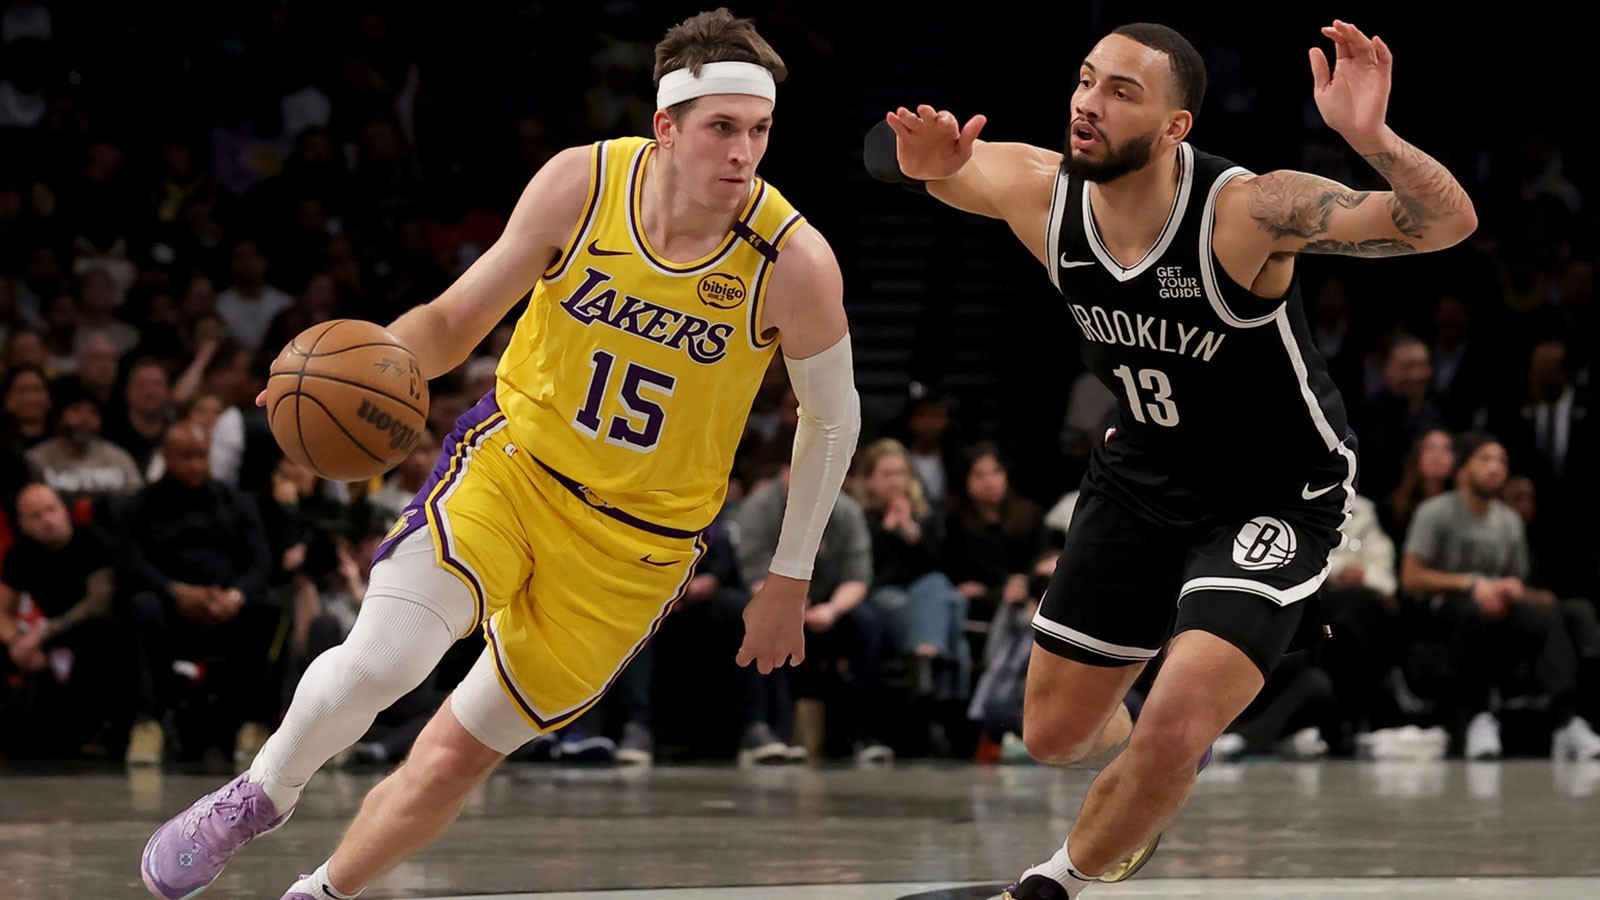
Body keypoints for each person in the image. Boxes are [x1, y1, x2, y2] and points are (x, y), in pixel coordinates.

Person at [141, 10, 859, 900]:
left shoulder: (793, 260)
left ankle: (320, 894)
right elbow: (451, 321)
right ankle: (261, 792)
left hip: (636, 547)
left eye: (759, 132)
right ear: (665, 127)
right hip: (514, 468)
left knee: (447, 762)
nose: (744, 153)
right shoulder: (582, 183)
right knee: (384, 661)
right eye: (722, 128)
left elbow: (831, 420)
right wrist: (344, 369)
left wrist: (790, 575)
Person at [869, 20, 1476, 898]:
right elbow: (902, 158)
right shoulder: (1040, 191)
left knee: (1173, 724)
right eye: (1085, 79)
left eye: (1121, 91)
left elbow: (1444, 224)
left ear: (1173, 128)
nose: (1088, 102)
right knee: (1052, 735)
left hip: (1277, 494)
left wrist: (1370, 139)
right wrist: (916, 161)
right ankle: (1144, 791)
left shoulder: (1246, 211)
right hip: (1142, 476)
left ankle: (1047, 886)